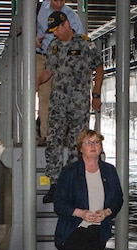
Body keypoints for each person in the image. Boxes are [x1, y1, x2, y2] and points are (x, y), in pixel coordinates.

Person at [37, 10, 104, 203]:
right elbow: (48, 71)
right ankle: (55, 185)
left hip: (78, 104)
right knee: (54, 141)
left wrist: (96, 95)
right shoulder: (54, 47)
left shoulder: (86, 44)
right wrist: (36, 82)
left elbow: (99, 69)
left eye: (56, 29)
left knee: (78, 144)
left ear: (65, 24)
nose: (54, 34)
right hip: (58, 103)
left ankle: (72, 185)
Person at [35, 0, 84, 144]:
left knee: (64, 97)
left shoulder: (72, 17)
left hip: (64, 59)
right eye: (55, 0)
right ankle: (46, 135)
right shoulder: (38, 10)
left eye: (62, 0)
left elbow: (80, 41)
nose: (58, 3)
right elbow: (23, 29)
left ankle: (69, 135)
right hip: (42, 55)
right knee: (45, 96)